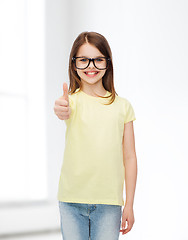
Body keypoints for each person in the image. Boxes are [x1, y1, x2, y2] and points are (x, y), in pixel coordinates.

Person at [53, 31, 137, 240]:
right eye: (83, 60)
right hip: (71, 200)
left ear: (107, 63)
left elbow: (130, 158)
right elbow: (61, 109)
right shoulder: (70, 102)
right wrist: (60, 108)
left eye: (98, 59)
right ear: (74, 64)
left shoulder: (122, 106)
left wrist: (130, 204)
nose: (91, 66)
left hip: (109, 203)